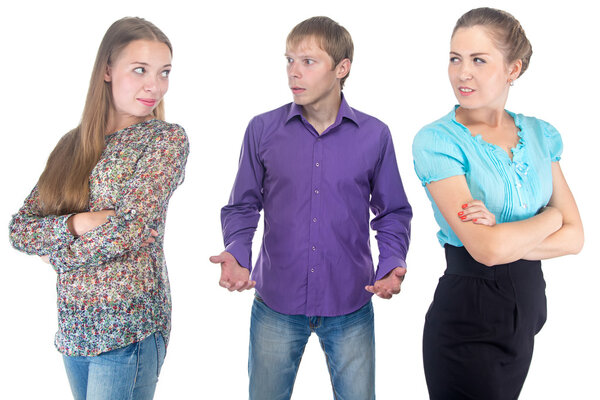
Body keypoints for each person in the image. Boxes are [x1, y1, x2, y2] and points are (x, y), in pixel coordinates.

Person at [210, 16, 412, 399]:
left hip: (350, 301)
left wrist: (391, 262)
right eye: (289, 60)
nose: (293, 73)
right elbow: (242, 205)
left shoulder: (375, 135)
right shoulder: (262, 130)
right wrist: (238, 252)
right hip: (276, 302)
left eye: (307, 61)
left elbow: (393, 212)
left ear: (342, 68)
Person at [9, 17, 188, 400]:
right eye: (139, 70)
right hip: (74, 329)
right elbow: (21, 228)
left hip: (130, 328)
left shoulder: (163, 140)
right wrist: (79, 222)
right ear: (107, 70)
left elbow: (131, 230)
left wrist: (56, 255)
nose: (153, 86)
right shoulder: (70, 145)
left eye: (164, 73)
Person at [412, 7, 584, 400]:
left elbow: (575, 238)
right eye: (455, 59)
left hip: (522, 321)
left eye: (478, 60)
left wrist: (506, 238)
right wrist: (551, 216)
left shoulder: (540, 135)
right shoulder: (437, 141)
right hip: (468, 322)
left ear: (513, 69)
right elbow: (486, 250)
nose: (461, 73)